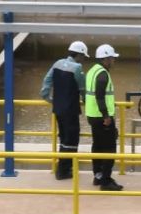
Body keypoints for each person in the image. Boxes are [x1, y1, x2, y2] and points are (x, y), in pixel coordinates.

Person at [40, 41, 88, 180]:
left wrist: (49, 99)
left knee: (63, 138)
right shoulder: (77, 68)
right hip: (71, 109)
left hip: (58, 109)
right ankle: (64, 170)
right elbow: (82, 89)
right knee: (72, 140)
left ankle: (61, 167)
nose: (84, 59)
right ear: (78, 54)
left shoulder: (57, 63)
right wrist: (86, 102)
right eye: (83, 55)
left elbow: (46, 83)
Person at [85, 43, 123, 191]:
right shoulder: (103, 75)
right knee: (109, 149)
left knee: (97, 146)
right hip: (102, 118)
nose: (114, 61)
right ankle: (106, 181)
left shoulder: (92, 71)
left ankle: (98, 176)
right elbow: (100, 97)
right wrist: (106, 115)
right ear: (106, 59)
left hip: (92, 116)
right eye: (112, 58)